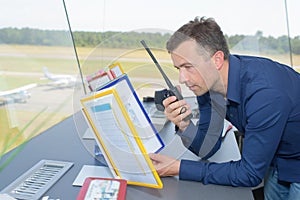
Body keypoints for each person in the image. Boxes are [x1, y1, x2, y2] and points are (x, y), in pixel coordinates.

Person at [149, 16, 300, 200]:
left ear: (217, 60)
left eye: (188, 67)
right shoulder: (209, 86)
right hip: (280, 158)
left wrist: (177, 167)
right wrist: (184, 125)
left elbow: (249, 174)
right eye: (178, 68)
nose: (182, 79)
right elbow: (208, 147)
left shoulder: (265, 93)